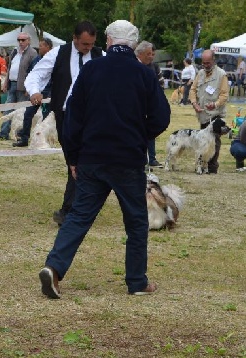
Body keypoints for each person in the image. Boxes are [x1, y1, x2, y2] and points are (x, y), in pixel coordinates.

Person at [38, 19, 170, 299]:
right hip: (128, 159)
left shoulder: (90, 70)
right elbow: (161, 117)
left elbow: (72, 116)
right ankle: (137, 281)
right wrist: (139, 135)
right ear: (134, 44)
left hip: (92, 157)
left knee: (78, 217)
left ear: (108, 41)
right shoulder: (144, 74)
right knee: (136, 222)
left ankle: (54, 267)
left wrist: (73, 156)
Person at [25, 21, 103, 225]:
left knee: (80, 161)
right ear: (75, 38)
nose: (88, 48)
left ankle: (70, 210)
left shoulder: (101, 56)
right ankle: (79, 206)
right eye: (85, 44)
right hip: (65, 116)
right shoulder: (58, 54)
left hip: (92, 116)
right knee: (74, 161)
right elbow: (37, 74)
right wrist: (34, 90)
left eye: (91, 44)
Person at [0, 32, 37, 140]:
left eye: (23, 40)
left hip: (24, 86)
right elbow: (9, 68)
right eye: (19, 40)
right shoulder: (14, 51)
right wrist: (6, 82)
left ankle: (20, 134)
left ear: (28, 41)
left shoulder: (33, 53)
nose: (20, 42)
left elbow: (34, 72)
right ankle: (3, 133)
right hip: (12, 84)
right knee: (8, 109)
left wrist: (29, 88)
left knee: (21, 112)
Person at [189, 50, 229, 174]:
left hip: (216, 114)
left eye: (208, 63)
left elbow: (224, 95)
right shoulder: (200, 73)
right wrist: (194, 103)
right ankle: (202, 165)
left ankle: (212, 167)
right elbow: (193, 89)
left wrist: (215, 104)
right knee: (203, 143)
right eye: (203, 63)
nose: (205, 65)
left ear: (213, 61)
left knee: (214, 142)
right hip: (203, 114)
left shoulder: (221, 74)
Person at [14, 37, 54, 147]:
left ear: (48, 47)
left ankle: (44, 140)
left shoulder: (54, 60)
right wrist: (30, 89)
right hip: (36, 93)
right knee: (28, 114)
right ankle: (24, 138)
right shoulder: (36, 60)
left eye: (41, 45)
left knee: (47, 117)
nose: (39, 48)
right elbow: (30, 74)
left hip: (48, 93)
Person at [135, 41, 164, 168]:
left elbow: (161, 84)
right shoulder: (135, 66)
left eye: (153, 54)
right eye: (149, 54)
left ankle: (152, 158)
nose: (151, 57)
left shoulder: (154, 67)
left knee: (150, 132)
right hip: (138, 106)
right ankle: (140, 158)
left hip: (151, 105)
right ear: (140, 54)